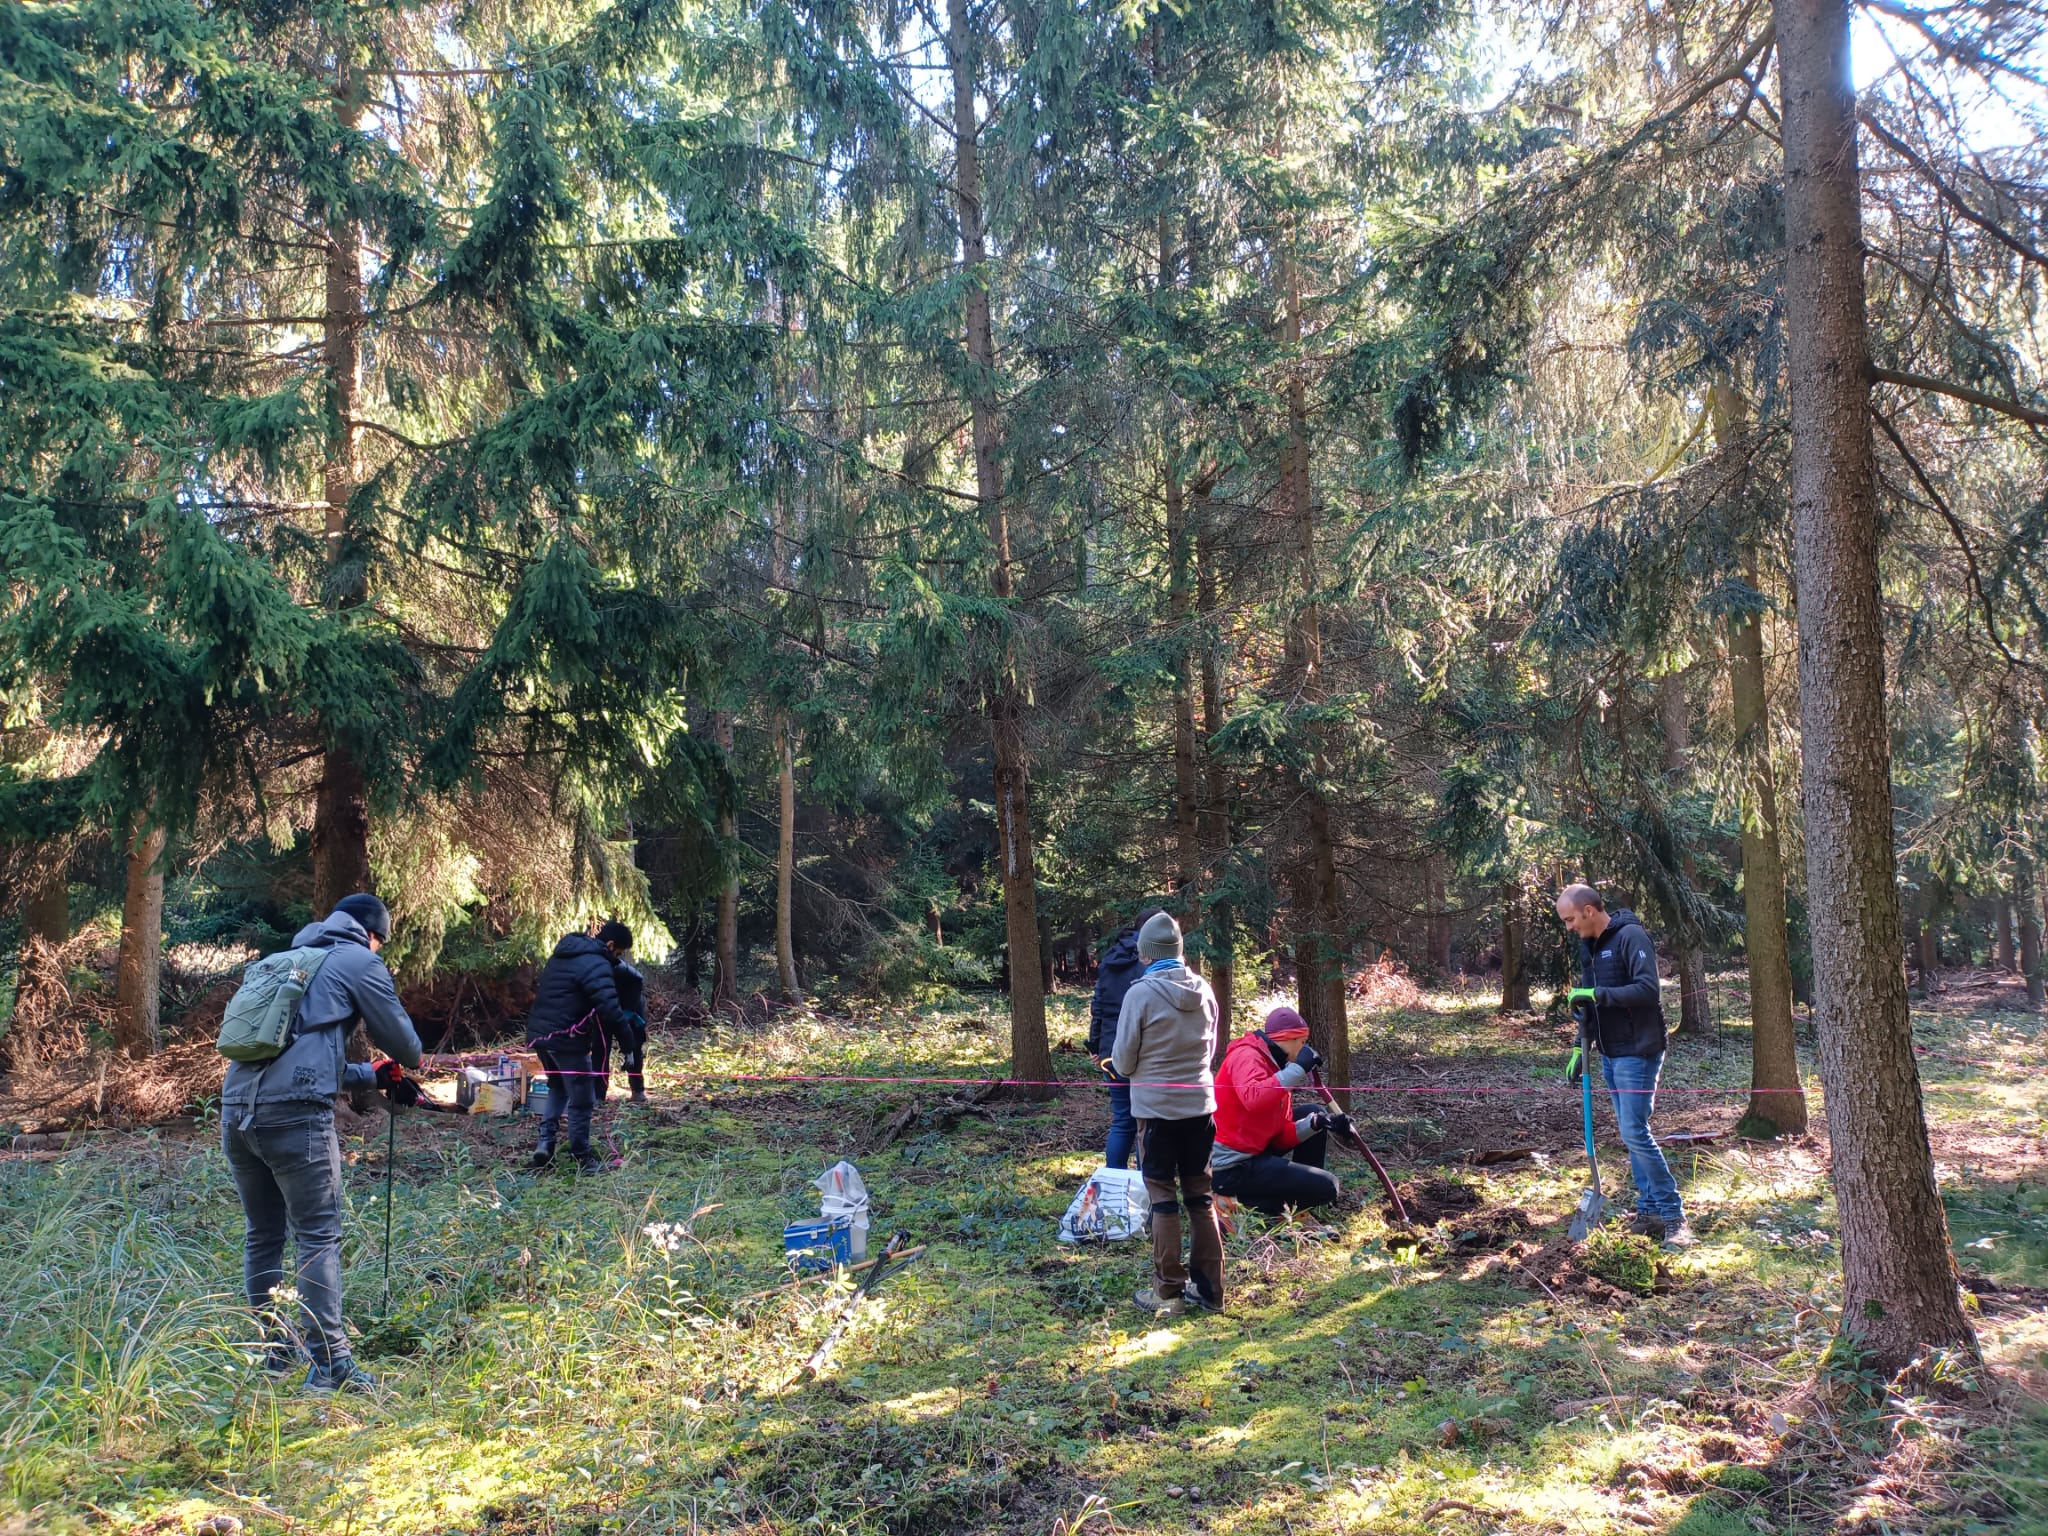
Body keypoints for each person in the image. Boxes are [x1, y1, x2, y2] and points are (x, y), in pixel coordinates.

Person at [220, 893, 423, 1393]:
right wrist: (393, 1063)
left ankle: (273, 1352)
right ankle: (331, 1367)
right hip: (295, 1119)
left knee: (263, 1235)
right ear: (372, 935)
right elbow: (409, 1048)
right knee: (317, 1237)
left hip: (237, 1114)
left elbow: (289, 1056)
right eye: (381, 943)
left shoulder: (284, 961)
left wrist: (368, 1075)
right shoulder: (359, 961)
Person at [1556, 883, 1695, 1247]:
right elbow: (1586, 1005)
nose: (1569, 928)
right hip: (1610, 1052)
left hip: (1640, 1049)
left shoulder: (1631, 936)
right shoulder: (1589, 947)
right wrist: (1577, 1047)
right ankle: (1648, 1212)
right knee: (1630, 1134)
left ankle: (1673, 1216)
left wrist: (1598, 993)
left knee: (1635, 1132)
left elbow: (1648, 990)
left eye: (1571, 919)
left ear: (1589, 910)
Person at [1110, 911, 1224, 1316]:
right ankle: (1211, 1291)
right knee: (1201, 1198)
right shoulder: (1206, 991)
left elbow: (1122, 1062)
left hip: (1156, 1114)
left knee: (1162, 1200)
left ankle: (1168, 1292)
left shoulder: (1139, 994)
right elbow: (1209, 1054)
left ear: (1146, 954)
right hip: (1200, 1109)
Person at [1212, 1007, 1346, 1219]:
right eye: (1301, 1042)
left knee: (1313, 1112)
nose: (1303, 1048)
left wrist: (1318, 1123)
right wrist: (1298, 1069)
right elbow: (1254, 1099)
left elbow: (1280, 1137)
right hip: (1233, 1167)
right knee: (1328, 1187)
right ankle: (1235, 1201)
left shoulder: (1275, 1064)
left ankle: (1298, 1208)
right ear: (1288, 1039)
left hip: (1258, 1150)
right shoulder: (1247, 1055)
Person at [527, 919, 634, 1172]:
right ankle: (582, 1158)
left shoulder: (563, 955)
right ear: (610, 945)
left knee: (558, 1088)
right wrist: (629, 1045)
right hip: (568, 1039)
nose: (617, 959)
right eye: (618, 953)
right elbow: (609, 1008)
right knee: (583, 1098)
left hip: (541, 1036)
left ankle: (545, 1145)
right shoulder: (596, 963)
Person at [1086, 910, 1159, 1170]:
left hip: (1111, 1054)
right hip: (1142, 1054)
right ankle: (1145, 1186)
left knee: (1122, 1120)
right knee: (1143, 1123)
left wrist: (1096, 1046)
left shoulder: (1111, 958)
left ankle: (1115, 1181)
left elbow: (1099, 1006)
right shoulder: (1152, 960)